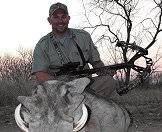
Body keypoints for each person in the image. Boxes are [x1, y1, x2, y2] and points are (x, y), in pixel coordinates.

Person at [31, 2, 119, 98]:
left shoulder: (83, 36)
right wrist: (64, 86)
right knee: (40, 93)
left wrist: (104, 71)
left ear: (68, 18)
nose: (60, 21)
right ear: (49, 20)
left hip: (85, 85)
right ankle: (82, 103)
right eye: (56, 17)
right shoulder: (42, 44)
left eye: (63, 17)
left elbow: (96, 62)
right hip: (59, 89)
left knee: (108, 82)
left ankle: (82, 103)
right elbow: (40, 75)